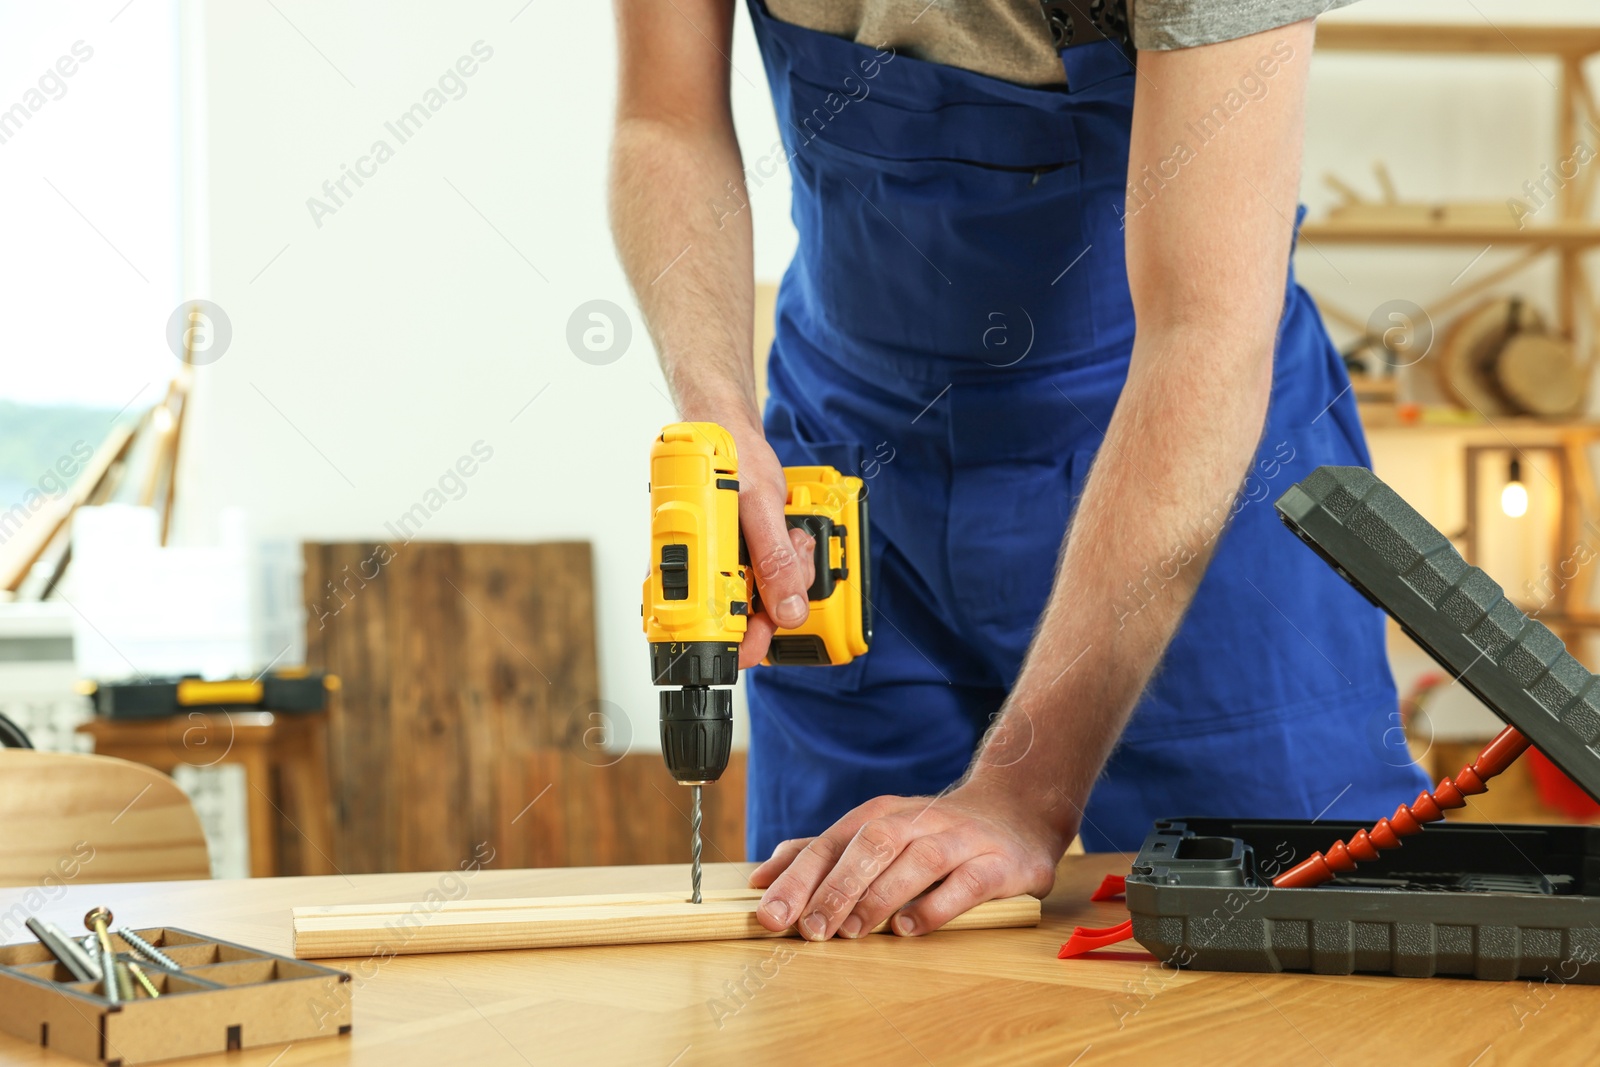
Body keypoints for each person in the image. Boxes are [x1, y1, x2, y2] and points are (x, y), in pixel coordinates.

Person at [610, 0, 1429, 943]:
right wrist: (720, 420)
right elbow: (664, 119)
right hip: (849, 470)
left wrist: (1022, 790)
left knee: (1284, 954)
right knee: (834, 959)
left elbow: (1205, 332)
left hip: (1180, 451)